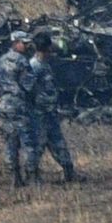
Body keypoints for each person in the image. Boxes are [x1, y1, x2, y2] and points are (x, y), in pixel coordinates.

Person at [26, 34, 81, 185]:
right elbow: (28, 89)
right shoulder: (34, 66)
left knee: (58, 142)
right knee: (38, 144)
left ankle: (69, 172)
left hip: (50, 111)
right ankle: (32, 175)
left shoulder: (46, 65)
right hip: (39, 113)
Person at [0, 31, 36, 188]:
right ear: (15, 42)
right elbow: (29, 86)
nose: (27, 45)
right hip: (19, 104)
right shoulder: (22, 61)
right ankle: (32, 175)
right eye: (24, 43)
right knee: (28, 141)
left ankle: (14, 176)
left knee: (11, 141)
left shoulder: (1, 60)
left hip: (5, 104)